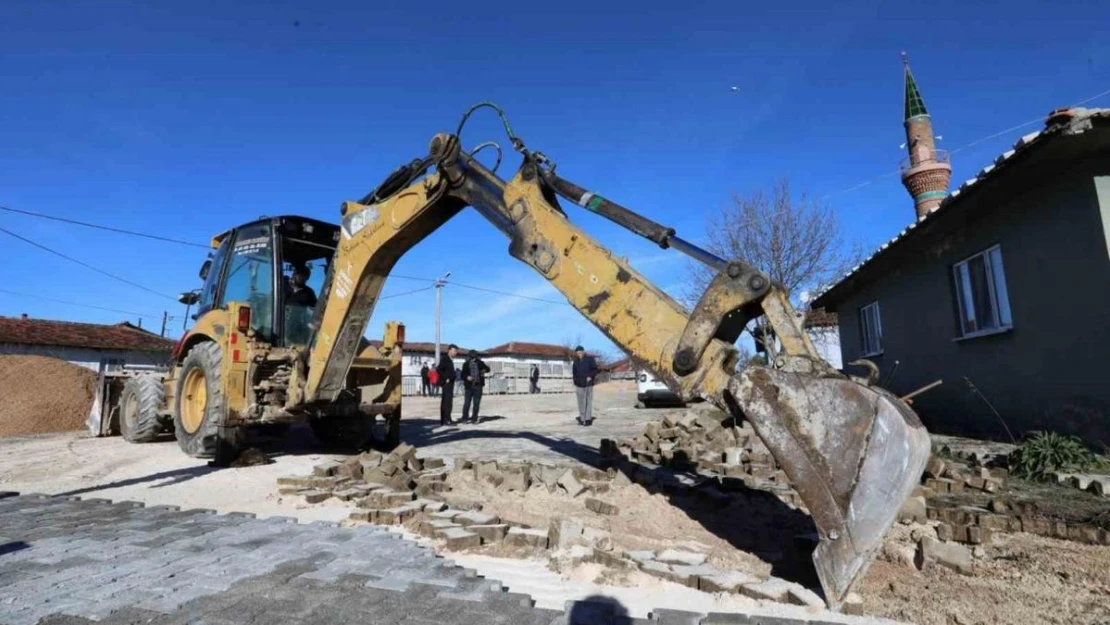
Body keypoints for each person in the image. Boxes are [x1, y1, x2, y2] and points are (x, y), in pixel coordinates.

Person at [460, 351, 491, 424]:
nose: (473, 359)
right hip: (468, 386)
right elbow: (462, 375)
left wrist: (484, 370)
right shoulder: (466, 364)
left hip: (478, 386)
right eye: (471, 357)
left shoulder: (480, 363)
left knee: (476, 403)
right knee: (467, 403)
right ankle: (465, 418)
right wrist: (467, 377)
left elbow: (488, 369)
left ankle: (474, 418)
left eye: (474, 357)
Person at [571, 345, 598, 426]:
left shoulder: (590, 359)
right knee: (581, 402)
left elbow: (595, 369)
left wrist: (590, 376)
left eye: (580, 352)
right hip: (579, 384)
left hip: (588, 384)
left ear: (583, 351)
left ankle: (588, 419)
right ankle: (582, 419)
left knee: (588, 401)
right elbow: (574, 373)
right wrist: (575, 381)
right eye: (577, 353)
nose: (579, 354)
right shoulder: (575, 361)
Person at [436, 344, 458, 426]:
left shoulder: (450, 359)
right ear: (449, 350)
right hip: (447, 384)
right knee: (447, 402)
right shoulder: (445, 359)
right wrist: (446, 378)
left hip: (450, 383)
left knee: (447, 402)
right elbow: (439, 369)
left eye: (456, 351)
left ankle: (445, 419)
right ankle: (447, 420)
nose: (455, 353)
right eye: (454, 351)